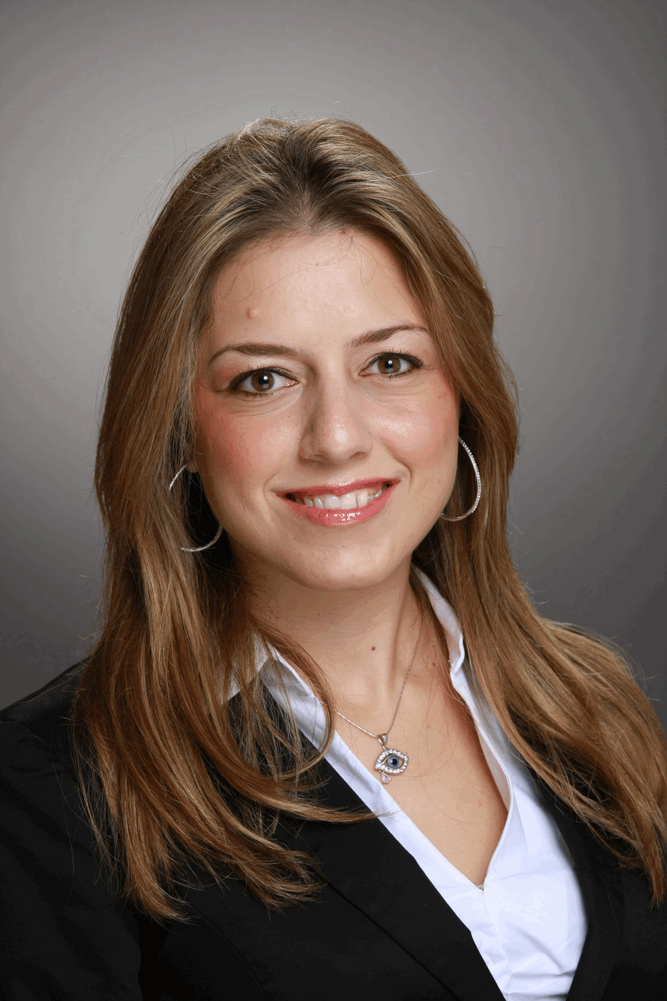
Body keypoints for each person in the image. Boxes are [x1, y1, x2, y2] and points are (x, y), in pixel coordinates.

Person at [1, 118, 665, 1001]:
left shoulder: (592, 710)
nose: (338, 438)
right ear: (179, 433)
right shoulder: (53, 785)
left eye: (389, 362)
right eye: (262, 379)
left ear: (458, 396)